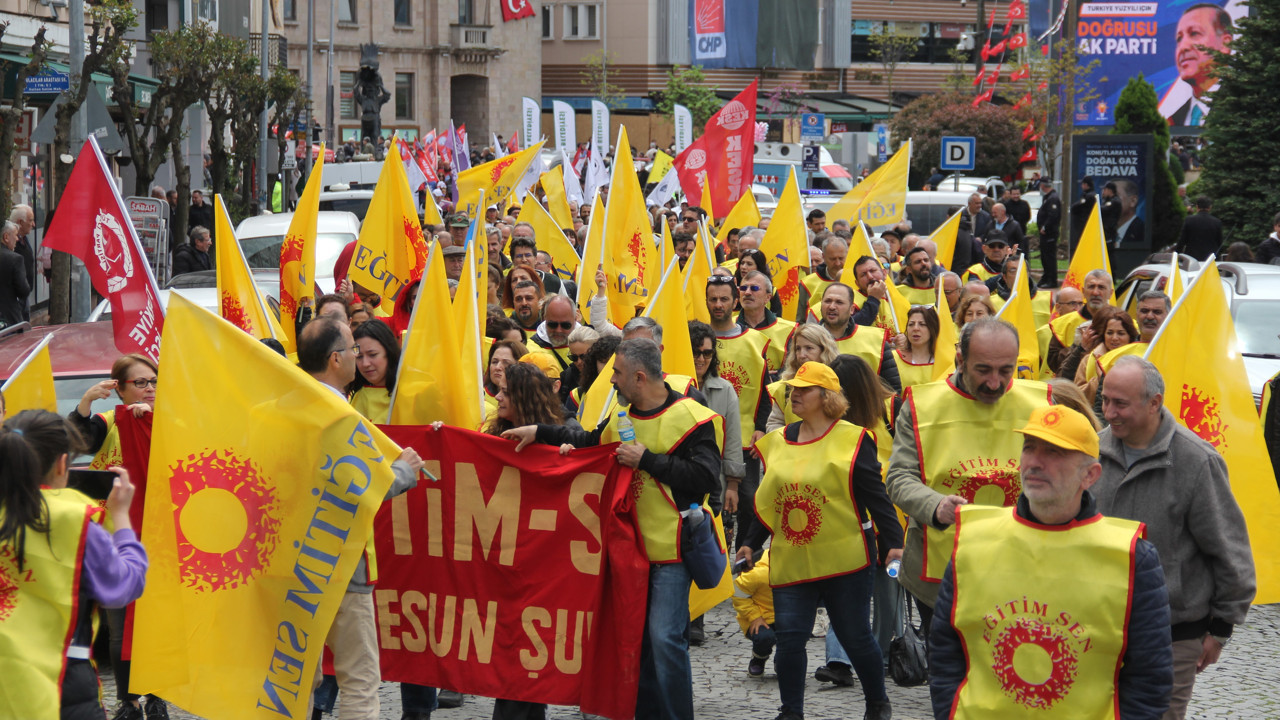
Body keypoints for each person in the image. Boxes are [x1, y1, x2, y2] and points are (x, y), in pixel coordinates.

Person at [502, 338, 723, 720]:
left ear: (639, 377)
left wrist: (647, 460)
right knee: (638, 643)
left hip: (670, 551)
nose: (612, 382)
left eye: (617, 375)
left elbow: (705, 479)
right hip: (627, 552)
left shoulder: (693, 417)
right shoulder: (622, 416)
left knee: (665, 640)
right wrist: (540, 432)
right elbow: (588, 441)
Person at [929, 404, 1173, 719]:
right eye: (1029, 448)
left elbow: (1149, 679)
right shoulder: (974, 539)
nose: (1035, 462)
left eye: (1055, 452)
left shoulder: (1131, 557)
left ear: (1090, 475)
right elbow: (946, 649)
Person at [1095, 356, 1256, 720]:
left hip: (1172, 635)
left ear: (1155, 403)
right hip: (1098, 627)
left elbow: (1230, 549)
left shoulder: (1196, 461)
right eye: (1105, 400)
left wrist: (1221, 628)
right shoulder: (1093, 450)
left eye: (1120, 403)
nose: (1109, 412)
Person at [741, 361, 902, 720]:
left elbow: (876, 496)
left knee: (855, 637)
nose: (794, 394)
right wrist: (751, 542)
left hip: (845, 560)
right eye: (792, 388)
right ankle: (791, 712)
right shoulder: (779, 441)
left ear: (826, 397)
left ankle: (877, 703)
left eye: (804, 389)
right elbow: (769, 500)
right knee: (791, 638)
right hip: (792, 558)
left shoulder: (853, 439)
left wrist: (893, 541)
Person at [886, 318, 1052, 636]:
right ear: (960, 359)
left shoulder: (1041, 403)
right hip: (939, 570)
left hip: (1021, 569)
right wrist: (936, 506)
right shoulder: (921, 404)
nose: (994, 382)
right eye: (983, 370)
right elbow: (899, 476)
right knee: (948, 674)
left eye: (1006, 370)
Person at [298, 318, 425, 720]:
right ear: (336, 359)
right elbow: (360, 485)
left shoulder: (287, 405)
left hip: (288, 564)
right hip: (340, 561)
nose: (359, 356)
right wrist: (403, 470)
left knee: (297, 679)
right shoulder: (338, 413)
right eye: (354, 349)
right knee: (360, 679)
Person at [1, 410, 149, 720]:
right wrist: (121, 517)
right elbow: (122, 587)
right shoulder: (74, 518)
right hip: (60, 679)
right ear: (61, 463)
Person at [706, 275, 772, 556]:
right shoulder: (696, 338)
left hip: (745, 438)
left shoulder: (756, 341)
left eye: (724, 299)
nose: (718, 304)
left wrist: (761, 427)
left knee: (747, 501)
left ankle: (747, 557)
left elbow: (766, 388)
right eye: (713, 299)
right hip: (704, 435)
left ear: (735, 302)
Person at [815, 283, 901, 392]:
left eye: (839, 302)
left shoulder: (876, 339)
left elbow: (893, 390)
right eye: (827, 301)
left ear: (851, 309)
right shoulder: (805, 340)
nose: (832, 306)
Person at [1159, 4, 1234, 126]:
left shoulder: (1247, 105)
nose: (1183, 47)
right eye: (1179, 39)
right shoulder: (1171, 122)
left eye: (1194, 33)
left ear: (1225, 44)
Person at [765, 323, 839, 431]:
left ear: (824, 350)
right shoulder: (786, 385)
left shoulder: (840, 381)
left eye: (809, 348)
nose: (801, 355)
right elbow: (775, 423)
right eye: (798, 349)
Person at [1064, 305, 1139, 407]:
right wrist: (1098, 381)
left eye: (1121, 333)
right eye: (1109, 333)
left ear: (1130, 336)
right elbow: (1077, 395)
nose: (1114, 338)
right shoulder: (1089, 359)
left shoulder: (1139, 358)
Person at [1046, 269, 1113, 376]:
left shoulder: (1124, 323)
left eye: (1101, 287)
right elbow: (1053, 364)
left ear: (1110, 293)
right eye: (1091, 287)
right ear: (1083, 291)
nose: (1095, 292)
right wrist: (1078, 347)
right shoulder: (1063, 324)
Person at [736, 270, 795, 375]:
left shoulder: (790, 330)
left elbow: (795, 366)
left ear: (768, 297)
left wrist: (775, 377)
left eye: (754, 288)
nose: (747, 292)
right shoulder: (727, 326)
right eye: (743, 288)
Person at [732, 549, 777, 677]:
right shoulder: (759, 574)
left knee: (794, 636)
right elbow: (737, 592)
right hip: (760, 618)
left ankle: (784, 660)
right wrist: (754, 617)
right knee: (764, 637)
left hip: (786, 616)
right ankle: (759, 658)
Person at [347, 319, 400, 422]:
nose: (365, 364)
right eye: (359, 357)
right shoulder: (356, 396)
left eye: (372, 355)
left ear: (389, 352)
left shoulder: (409, 394)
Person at [484, 340, 528, 421]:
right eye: (494, 361)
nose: (497, 367)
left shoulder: (527, 403)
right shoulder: (478, 395)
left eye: (506, 363)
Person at [896, 305, 939, 389]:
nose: (915, 328)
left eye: (922, 324)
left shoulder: (944, 362)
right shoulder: (894, 359)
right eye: (911, 324)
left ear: (932, 329)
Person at [0, 220, 30, 328]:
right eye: (16, 235)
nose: (17, 239)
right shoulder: (15, 259)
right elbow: (23, 290)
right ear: (6, 237)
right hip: (9, 321)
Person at [7, 205, 35, 320]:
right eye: (30, 220)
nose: (33, 225)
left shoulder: (24, 239)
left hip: (24, 294)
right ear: (20, 222)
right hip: (15, 297)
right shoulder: (10, 244)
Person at [1175, 196, 1224, 261]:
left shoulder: (1189, 220)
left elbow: (1182, 240)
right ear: (1210, 207)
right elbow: (1219, 242)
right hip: (1210, 260)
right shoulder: (1217, 222)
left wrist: (1176, 255)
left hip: (1191, 258)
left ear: (1197, 207)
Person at [1036, 179, 1062, 288]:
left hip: (1049, 233)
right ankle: (1046, 277)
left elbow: (1053, 215)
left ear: (1042, 186)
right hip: (1045, 234)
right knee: (1044, 257)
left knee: (1049, 257)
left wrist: (1045, 227)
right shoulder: (1048, 197)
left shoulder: (1053, 198)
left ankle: (1052, 280)